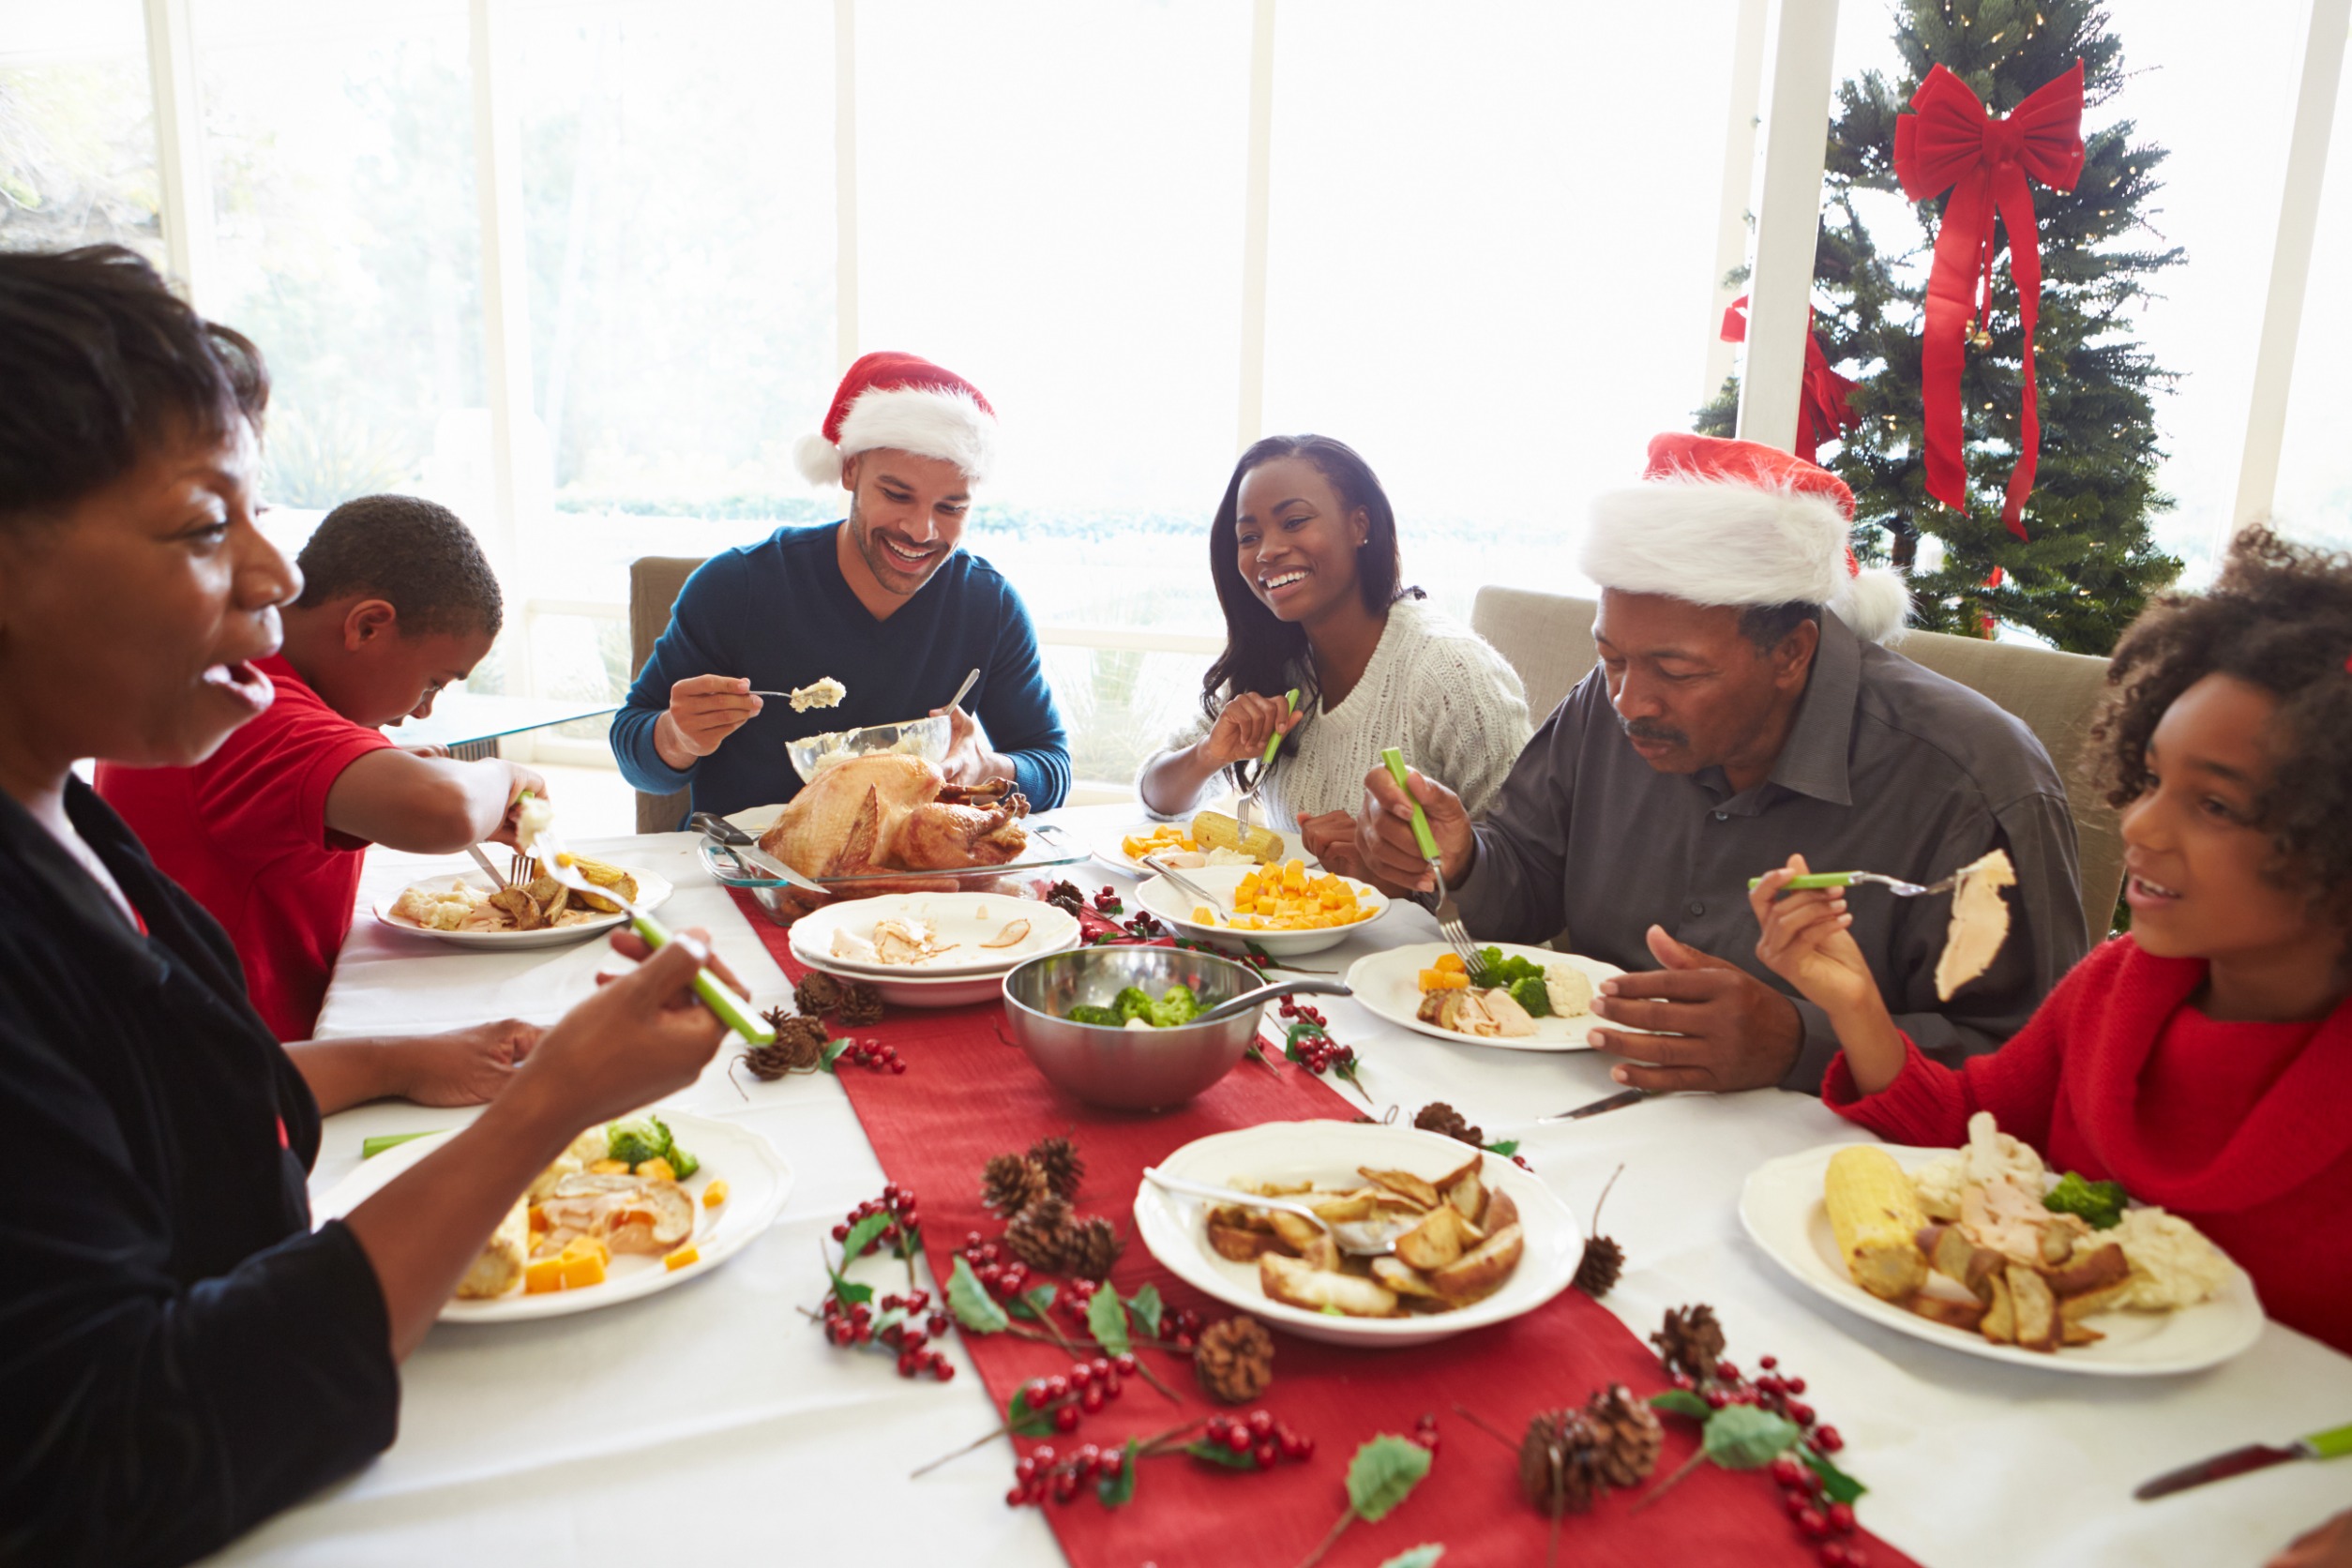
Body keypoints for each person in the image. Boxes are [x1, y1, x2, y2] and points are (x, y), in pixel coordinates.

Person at [0, 245, 736, 1564]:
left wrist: (407, 1059)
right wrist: (553, 1102)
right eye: (202, 526)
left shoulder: (69, 819)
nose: (277, 581)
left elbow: (174, 1112)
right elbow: (129, 1454)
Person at [1750, 528, 2352, 1354]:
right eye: (2151, 778)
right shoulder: (2116, 988)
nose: (2139, 822)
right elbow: (1969, 1136)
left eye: (2213, 805)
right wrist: (1855, 1006)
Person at [1355, 433, 2089, 1094]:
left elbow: (2030, 1067)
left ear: (1793, 653)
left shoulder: (1967, 782)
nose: (1630, 702)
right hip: (1579, 1098)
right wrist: (1460, 860)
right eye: (1610, 657)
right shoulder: (1608, 700)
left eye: (1677, 670)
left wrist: (1801, 1043)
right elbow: (1529, 882)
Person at [99, 494, 545, 1097]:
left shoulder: (243, 673)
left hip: (261, 1052)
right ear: (366, 625)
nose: (423, 711)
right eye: (432, 682)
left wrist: (380, 769)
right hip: (233, 1084)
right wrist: (506, 774)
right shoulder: (244, 706)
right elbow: (444, 812)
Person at [611, 351, 1070, 822]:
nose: (922, 530)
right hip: (753, 873)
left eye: (951, 508)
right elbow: (634, 752)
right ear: (850, 470)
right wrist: (676, 737)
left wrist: (988, 767)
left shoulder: (987, 605)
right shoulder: (738, 588)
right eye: (896, 494)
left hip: (912, 879)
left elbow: (1052, 765)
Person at [1136, 434, 1530, 873]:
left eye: (1294, 521)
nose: (1266, 551)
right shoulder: (1278, 664)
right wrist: (1208, 754)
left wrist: (1395, 870)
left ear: (1359, 526)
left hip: (1430, 942)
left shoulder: (1451, 671)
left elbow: (1525, 874)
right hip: (1293, 933)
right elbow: (1158, 799)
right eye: (1249, 536)